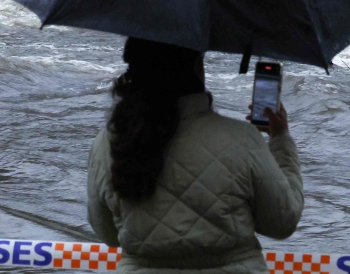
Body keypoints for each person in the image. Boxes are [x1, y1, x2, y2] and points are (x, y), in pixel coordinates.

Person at [87, 38, 304, 274]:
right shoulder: (242, 138)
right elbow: (282, 221)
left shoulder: (108, 143)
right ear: (197, 69)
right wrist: (280, 138)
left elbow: (108, 233)